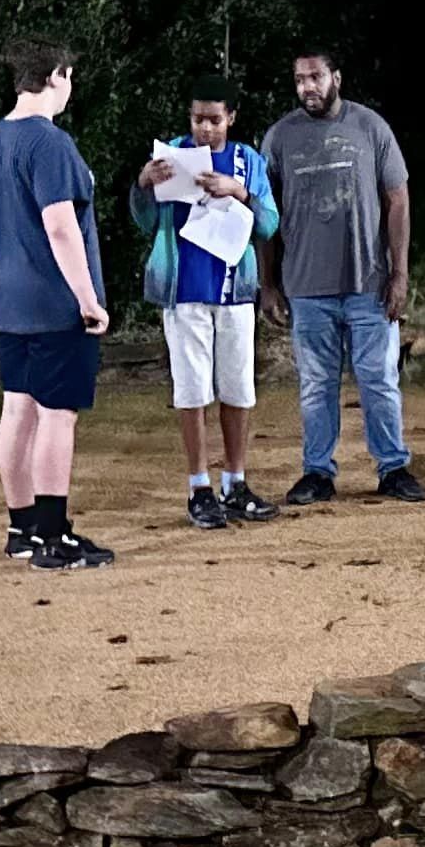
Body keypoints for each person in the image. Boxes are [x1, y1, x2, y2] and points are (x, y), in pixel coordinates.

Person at [0, 35, 116, 571]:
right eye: (69, 76)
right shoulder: (50, 144)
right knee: (57, 415)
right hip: (54, 301)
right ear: (56, 75)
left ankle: (22, 527)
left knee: (18, 406)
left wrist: (1, 282)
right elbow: (60, 225)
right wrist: (88, 299)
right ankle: (53, 536)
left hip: (6, 296)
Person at [257, 50, 425, 504]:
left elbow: (398, 201)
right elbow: (262, 215)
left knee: (379, 379)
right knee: (316, 385)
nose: (307, 87)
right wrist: (268, 284)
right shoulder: (280, 137)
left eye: (315, 77)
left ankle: (393, 468)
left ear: (335, 77)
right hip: (306, 286)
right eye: (299, 79)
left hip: (368, 284)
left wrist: (399, 275)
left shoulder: (370, 128)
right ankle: (317, 472)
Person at [131, 75, 282, 530]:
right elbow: (144, 220)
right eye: (199, 118)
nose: (206, 129)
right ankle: (199, 486)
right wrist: (143, 185)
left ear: (231, 118)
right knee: (192, 390)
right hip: (183, 291)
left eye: (215, 119)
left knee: (237, 388)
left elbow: (270, 223)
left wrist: (239, 191)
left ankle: (235, 481)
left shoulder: (247, 160)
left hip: (234, 289)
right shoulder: (171, 156)